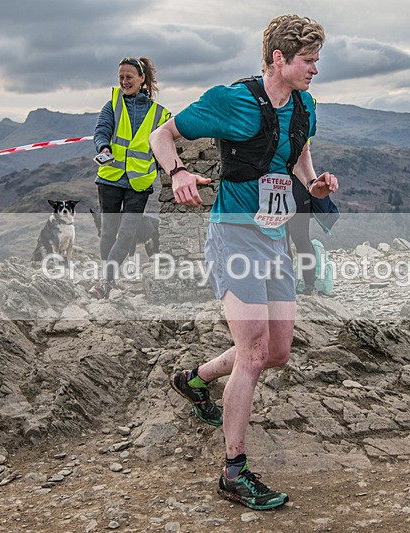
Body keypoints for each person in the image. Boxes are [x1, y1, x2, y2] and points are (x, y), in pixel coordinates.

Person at [149, 14, 338, 510]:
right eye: (309, 60)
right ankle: (234, 471)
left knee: (275, 353)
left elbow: (297, 153)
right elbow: (162, 136)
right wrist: (178, 172)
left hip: (274, 238)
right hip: (233, 234)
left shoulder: (306, 105)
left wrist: (313, 182)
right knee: (252, 354)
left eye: (317, 60)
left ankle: (195, 379)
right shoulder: (231, 100)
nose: (316, 69)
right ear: (280, 58)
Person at [89, 56, 170, 299]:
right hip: (110, 178)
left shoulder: (160, 114)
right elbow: (101, 130)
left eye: (129, 77)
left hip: (140, 182)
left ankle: (105, 282)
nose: (124, 82)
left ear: (142, 79)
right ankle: (108, 279)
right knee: (108, 233)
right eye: (121, 77)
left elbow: (166, 142)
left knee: (127, 234)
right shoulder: (112, 104)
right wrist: (103, 147)